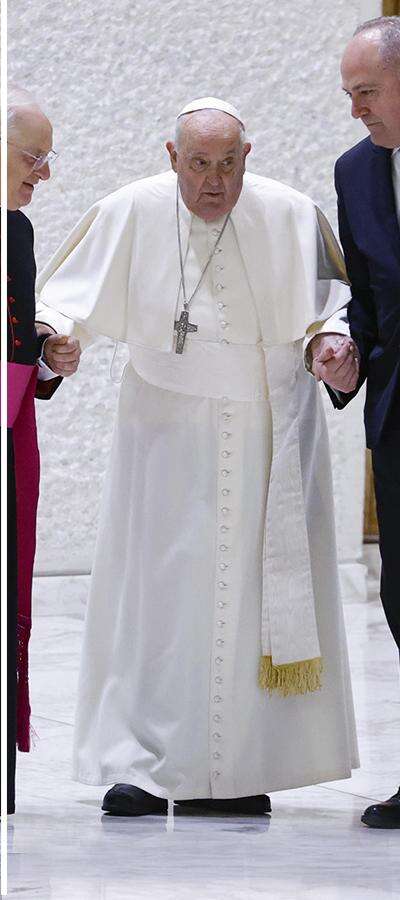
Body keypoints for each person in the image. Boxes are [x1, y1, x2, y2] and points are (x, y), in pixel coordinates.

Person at [36, 98, 357, 817]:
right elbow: (63, 301)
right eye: (198, 164)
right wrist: (58, 340)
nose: (213, 183)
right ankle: (141, 764)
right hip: (164, 434)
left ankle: (240, 769)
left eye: (228, 164)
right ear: (169, 156)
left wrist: (330, 346)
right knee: (157, 595)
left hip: (268, 428)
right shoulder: (130, 209)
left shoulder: (290, 213)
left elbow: (332, 307)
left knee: (252, 595)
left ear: (250, 155)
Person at [322, 16, 400, 830]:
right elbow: (372, 304)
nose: (356, 111)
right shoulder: (356, 173)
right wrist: (348, 358)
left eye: (367, 92)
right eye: (349, 95)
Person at [2, 86, 78, 795]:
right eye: (34, 158)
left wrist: (47, 347)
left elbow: (13, 332)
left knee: (8, 596)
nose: (44, 175)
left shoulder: (15, 230)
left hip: (12, 422)